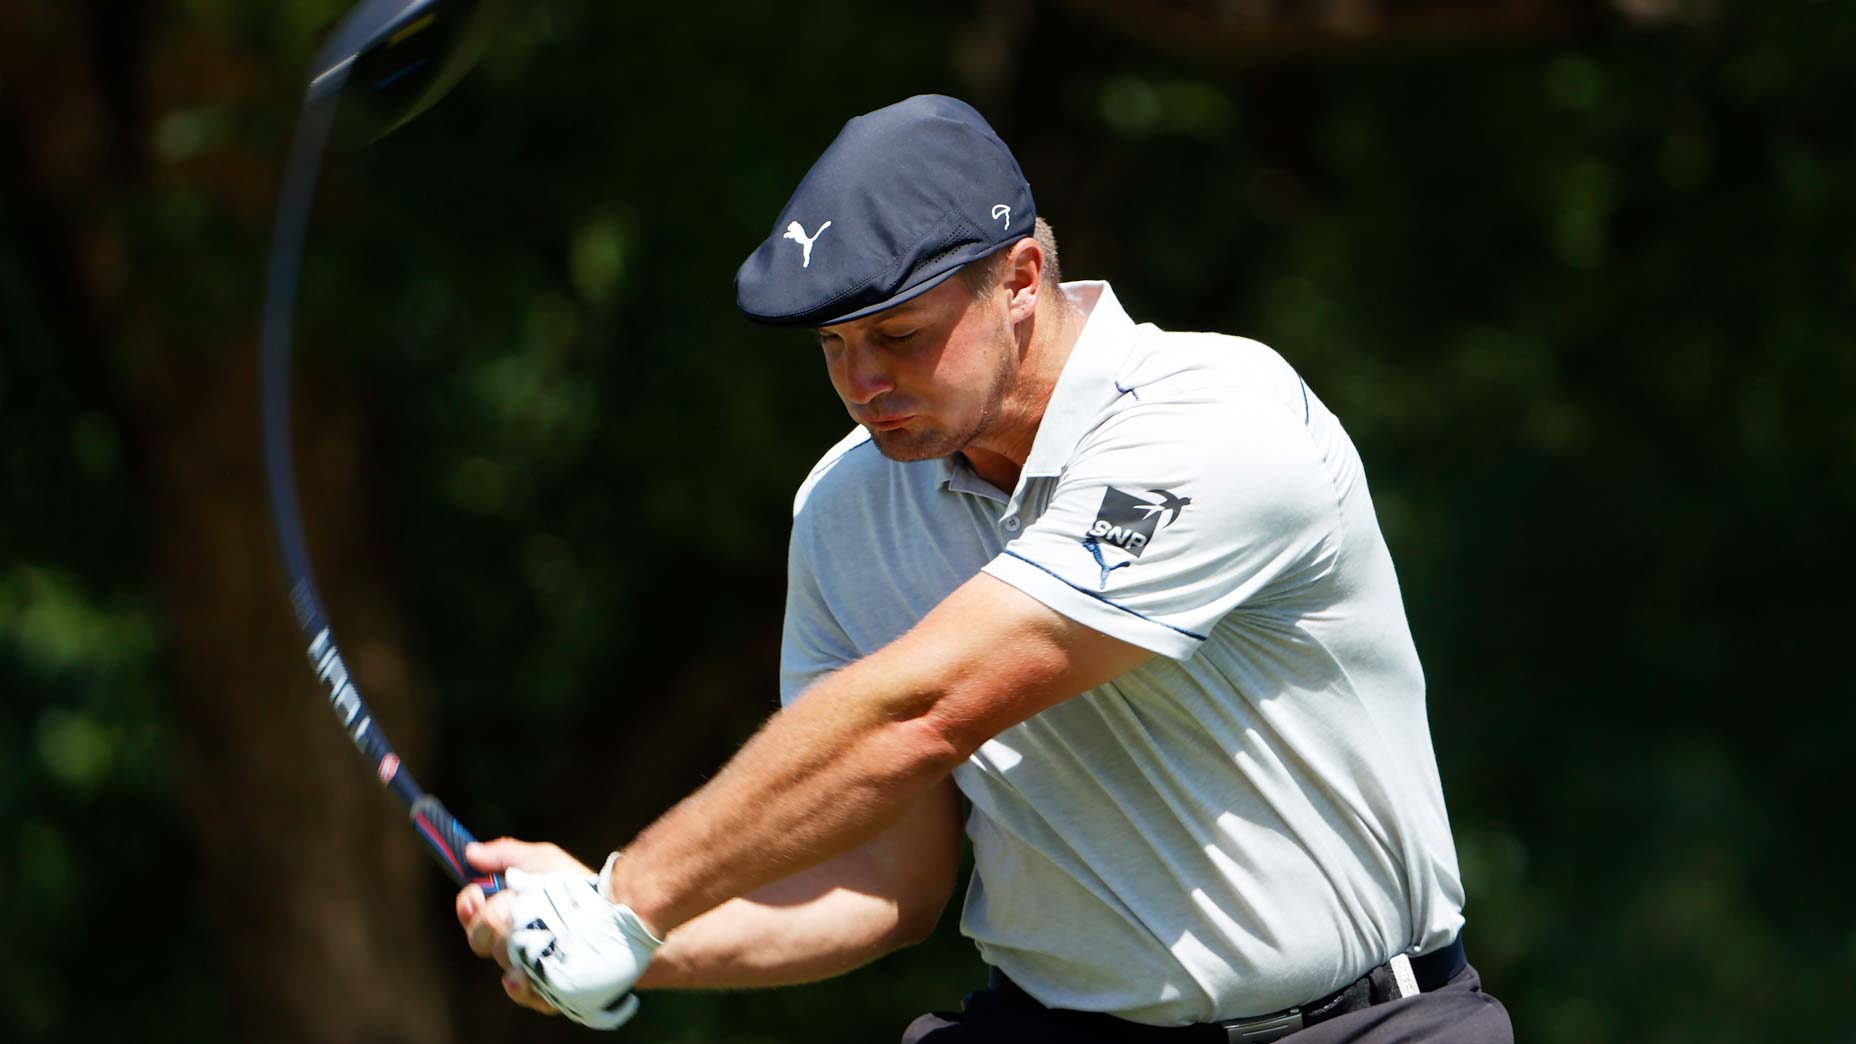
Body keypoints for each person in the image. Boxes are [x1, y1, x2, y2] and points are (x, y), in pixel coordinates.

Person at [455, 94, 1512, 1043]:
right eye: (832, 345)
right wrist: (616, 937)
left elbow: (924, 710)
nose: (862, 384)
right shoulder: (845, 508)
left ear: (1019, 279)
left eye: (898, 334)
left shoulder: (1213, 419)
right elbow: (885, 879)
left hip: (1369, 1027)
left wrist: (627, 898)